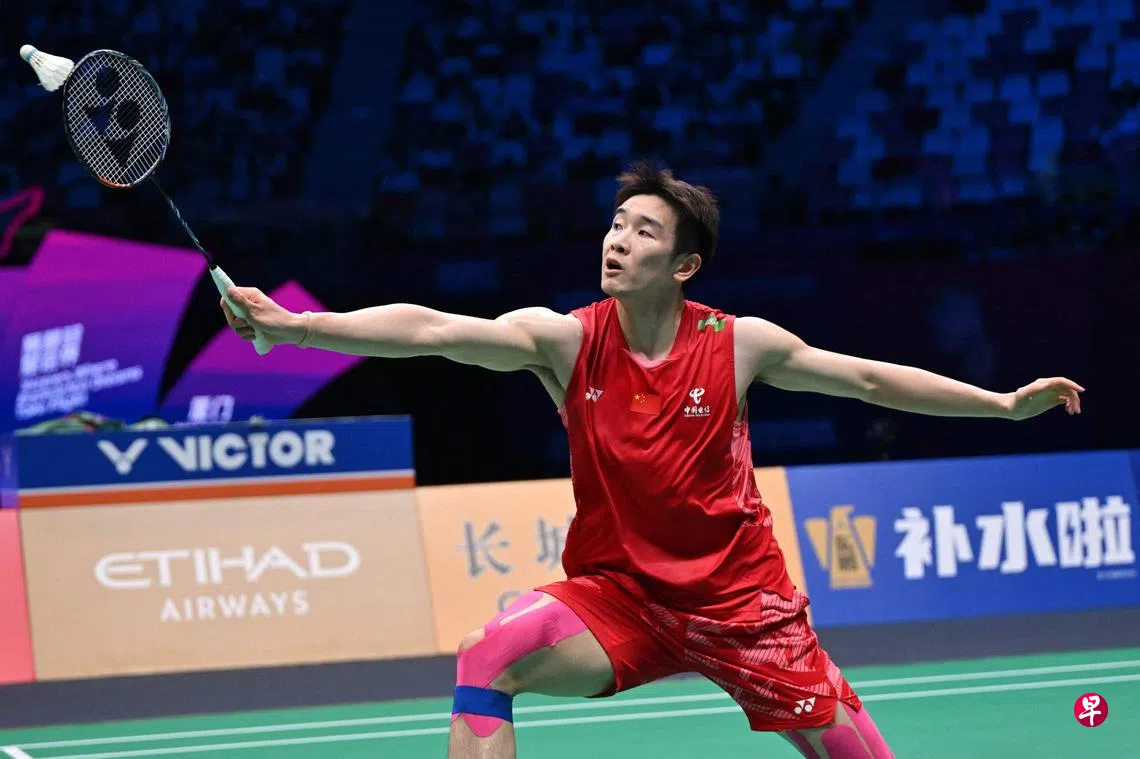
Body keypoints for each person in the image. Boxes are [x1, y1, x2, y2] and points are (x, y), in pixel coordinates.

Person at [220, 162, 1084, 758]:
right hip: (622, 598)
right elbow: (436, 330)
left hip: (741, 606)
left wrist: (1001, 403)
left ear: (685, 264)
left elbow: (864, 379)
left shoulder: (739, 344)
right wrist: (299, 326)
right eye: (616, 224)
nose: (618, 241)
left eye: (644, 231)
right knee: (488, 654)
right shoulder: (565, 341)